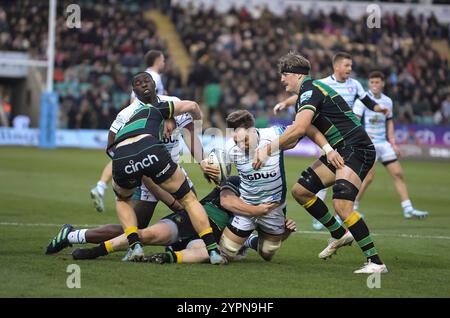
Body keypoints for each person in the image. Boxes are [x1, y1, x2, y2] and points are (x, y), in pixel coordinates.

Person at [254, 52, 388, 274]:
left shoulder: (310, 91)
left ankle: (376, 262)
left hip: (355, 147)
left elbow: (298, 129)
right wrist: (326, 149)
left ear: (296, 75)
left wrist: (267, 149)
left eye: (284, 75)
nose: (281, 79)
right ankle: (338, 234)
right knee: (301, 191)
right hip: (341, 148)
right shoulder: (307, 94)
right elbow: (307, 131)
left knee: (342, 206)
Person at [105, 71, 225, 264]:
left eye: (147, 81)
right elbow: (193, 106)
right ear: (133, 90)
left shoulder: (140, 110)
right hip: (155, 162)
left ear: (154, 84)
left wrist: (130, 169)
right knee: (188, 201)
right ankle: (212, 251)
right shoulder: (158, 107)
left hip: (128, 161)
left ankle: (135, 246)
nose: (143, 85)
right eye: (138, 83)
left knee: (122, 200)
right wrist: (197, 121)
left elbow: (111, 146)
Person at [274, 52, 389, 231]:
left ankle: (370, 253)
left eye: (351, 66)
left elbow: (368, 102)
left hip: (352, 140)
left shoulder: (351, 85)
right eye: (347, 65)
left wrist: (379, 108)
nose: (350, 69)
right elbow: (303, 111)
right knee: (305, 188)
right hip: (335, 141)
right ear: (336, 67)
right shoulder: (320, 85)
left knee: (343, 201)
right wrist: (286, 104)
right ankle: (337, 227)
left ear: (297, 74)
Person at [62, 176, 294, 263]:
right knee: (147, 234)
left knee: (211, 254)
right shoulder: (235, 181)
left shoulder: (271, 203)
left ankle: (165, 258)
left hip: (209, 240)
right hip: (190, 221)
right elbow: (226, 202)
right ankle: (95, 252)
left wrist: (283, 233)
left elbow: (259, 245)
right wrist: (258, 210)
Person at [218, 110, 338, 263]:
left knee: (267, 254)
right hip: (246, 206)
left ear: (253, 130)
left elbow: (306, 127)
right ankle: (245, 239)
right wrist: (210, 169)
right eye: (236, 141)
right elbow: (218, 170)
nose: (241, 146)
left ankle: (251, 239)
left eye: (245, 140)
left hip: (273, 207)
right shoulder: (229, 147)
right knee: (227, 252)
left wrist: (328, 150)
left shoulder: (274, 135)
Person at [90, 50, 172, 212]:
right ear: (157, 60)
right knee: (137, 155)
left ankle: (101, 186)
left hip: (135, 117)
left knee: (126, 153)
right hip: (143, 119)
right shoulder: (152, 77)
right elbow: (151, 101)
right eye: (163, 60)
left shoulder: (144, 77)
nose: (164, 63)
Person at [352, 71, 429, 219]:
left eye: (377, 82)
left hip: (383, 143)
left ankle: (408, 208)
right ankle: (353, 207)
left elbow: (389, 122)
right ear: (368, 83)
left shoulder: (387, 101)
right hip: (369, 144)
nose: (374, 85)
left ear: (382, 84)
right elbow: (355, 120)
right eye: (372, 82)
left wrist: (393, 143)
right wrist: (363, 135)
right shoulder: (363, 100)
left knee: (398, 174)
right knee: (368, 177)